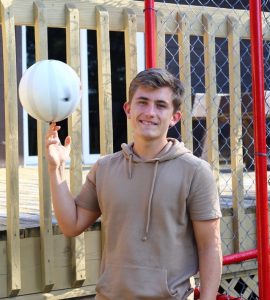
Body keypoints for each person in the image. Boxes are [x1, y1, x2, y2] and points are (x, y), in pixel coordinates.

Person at [45, 68, 222, 300]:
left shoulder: (196, 172)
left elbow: (210, 247)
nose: (150, 112)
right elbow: (71, 224)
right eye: (142, 102)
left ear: (174, 117)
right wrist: (55, 168)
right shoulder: (105, 168)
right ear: (128, 109)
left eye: (160, 105)